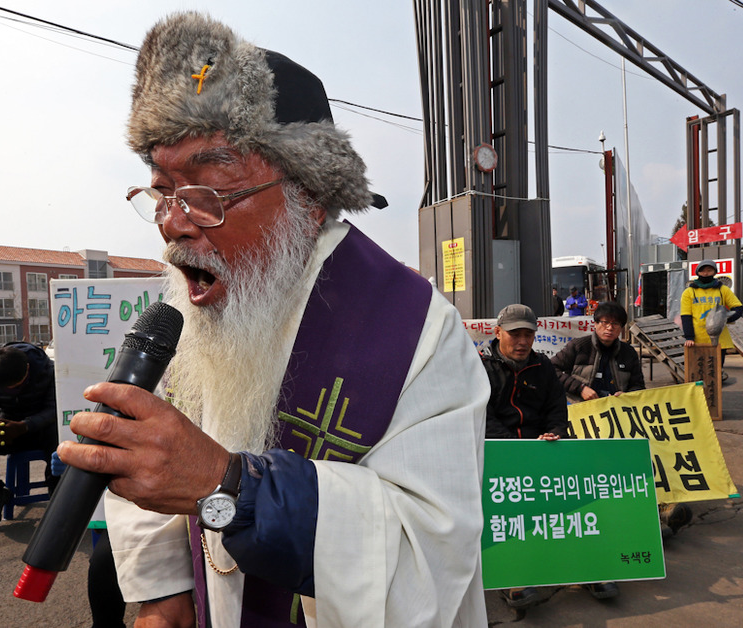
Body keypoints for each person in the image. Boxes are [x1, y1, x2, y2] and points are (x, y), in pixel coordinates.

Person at [57, 13, 488, 627]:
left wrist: (229, 486)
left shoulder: (418, 333)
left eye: (205, 194)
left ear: (308, 197)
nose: (175, 224)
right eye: (162, 192)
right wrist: (161, 588)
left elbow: (427, 548)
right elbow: (151, 452)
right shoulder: (191, 307)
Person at [552, 301, 691, 543]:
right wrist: (580, 388)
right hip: (581, 417)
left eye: (615, 324)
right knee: (600, 469)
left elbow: (639, 385)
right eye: (604, 323)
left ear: (621, 329)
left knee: (645, 455)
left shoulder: (628, 353)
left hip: (617, 417)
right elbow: (552, 370)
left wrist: (627, 396)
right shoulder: (578, 346)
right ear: (595, 324)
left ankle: (660, 511)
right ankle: (639, 519)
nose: (609, 328)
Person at [480, 304, 566, 609]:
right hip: (494, 456)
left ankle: (589, 565)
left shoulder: (544, 368)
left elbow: (557, 409)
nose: (522, 341)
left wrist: (554, 432)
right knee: (506, 517)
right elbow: (480, 417)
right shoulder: (478, 367)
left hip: (539, 451)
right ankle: (512, 576)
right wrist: (515, 450)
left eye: (528, 334)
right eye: (514, 333)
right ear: (497, 332)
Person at [0, 342, 57, 534]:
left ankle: (59, 499)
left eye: (14, 386)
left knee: (59, 440)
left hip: (42, 429)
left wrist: (26, 425)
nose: (9, 391)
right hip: (9, 430)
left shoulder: (50, 372)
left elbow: (54, 409)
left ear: (28, 370)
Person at [681, 259, 743, 376]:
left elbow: (738, 308)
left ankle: (715, 394)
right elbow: (686, 316)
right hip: (697, 339)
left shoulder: (723, 290)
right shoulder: (689, 292)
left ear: (715, 272)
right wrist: (689, 337)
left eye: (709, 270)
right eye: (703, 271)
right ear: (697, 273)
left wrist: (724, 318)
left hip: (719, 339)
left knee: (715, 373)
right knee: (698, 372)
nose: (706, 273)